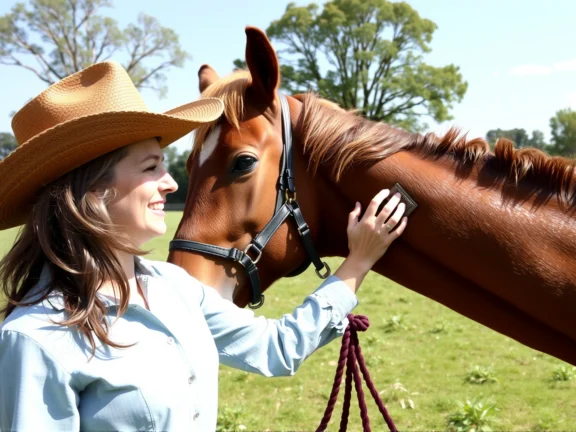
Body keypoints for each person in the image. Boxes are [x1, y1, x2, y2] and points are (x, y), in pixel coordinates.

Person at [0, 61, 408, 431]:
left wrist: (357, 263)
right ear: (91, 191)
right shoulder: (36, 339)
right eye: (150, 167)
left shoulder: (173, 287)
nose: (171, 182)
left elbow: (276, 348)